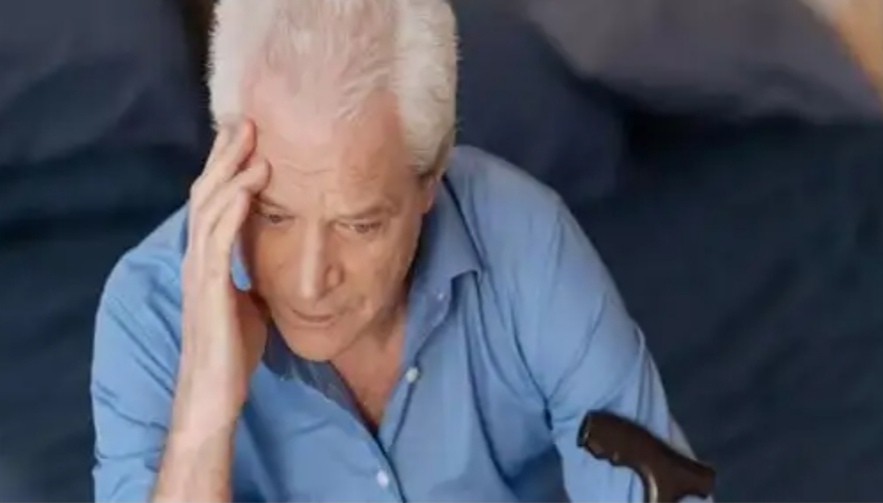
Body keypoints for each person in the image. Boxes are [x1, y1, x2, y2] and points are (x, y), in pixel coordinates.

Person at [90, 0, 695, 501]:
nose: (309, 282)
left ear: (430, 177)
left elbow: (652, 484)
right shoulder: (148, 310)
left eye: (359, 225)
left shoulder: (528, 242)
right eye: (273, 216)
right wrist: (203, 415)